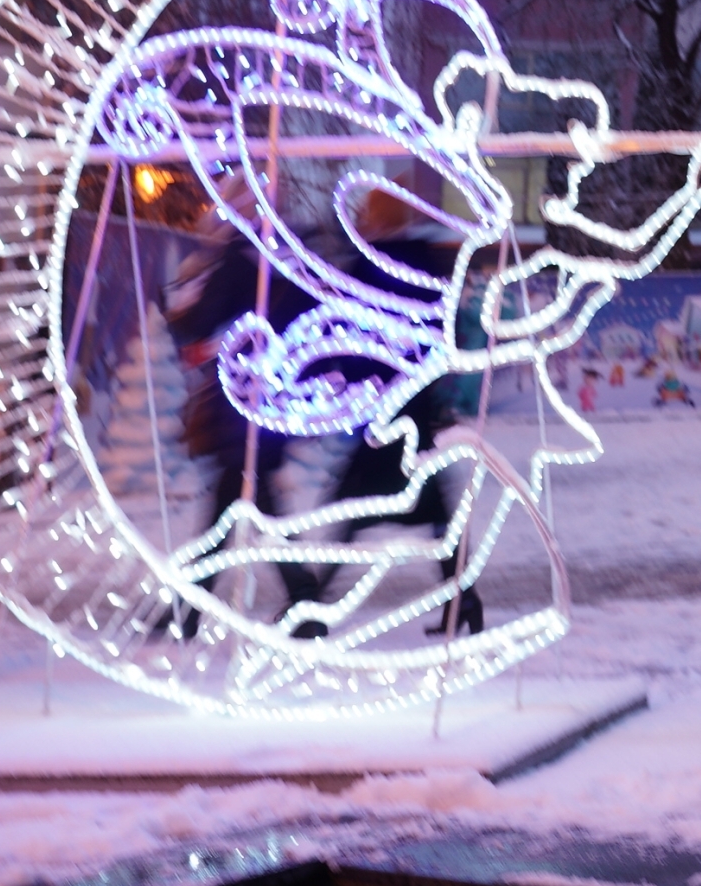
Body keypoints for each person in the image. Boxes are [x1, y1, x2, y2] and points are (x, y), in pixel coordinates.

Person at [297, 188, 484, 636]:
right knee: (431, 515)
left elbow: (349, 327)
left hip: (384, 409)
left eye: (366, 213)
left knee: (349, 508)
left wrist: (341, 368)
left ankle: (312, 611)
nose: (360, 220)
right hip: (414, 407)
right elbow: (447, 328)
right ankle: (466, 603)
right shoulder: (423, 262)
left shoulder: (371, 264)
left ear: (378, 219)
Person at [163, 179, 321, 622]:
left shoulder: (235, 264)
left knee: (239, 517)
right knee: (240, 515)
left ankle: (190, 611)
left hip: (237, 410)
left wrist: (173, 311)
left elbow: (198, 324)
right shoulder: (284, 263)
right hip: (265, 404)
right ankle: (191, 610)